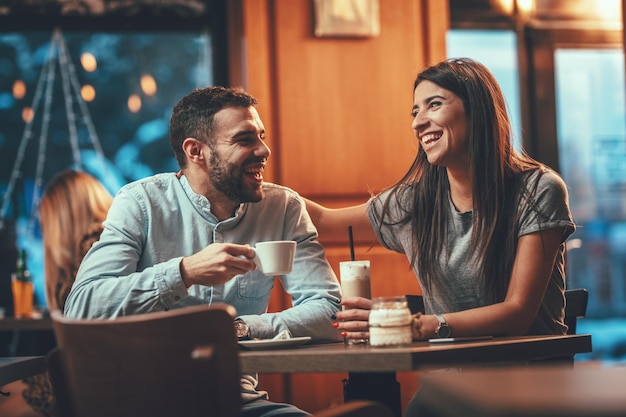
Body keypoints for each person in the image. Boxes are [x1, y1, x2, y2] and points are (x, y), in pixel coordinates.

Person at [304, 58, 575, 415]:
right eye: (415, 111)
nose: (418, 122)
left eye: (434, 104)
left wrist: (422, 325)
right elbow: (322, 221)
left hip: (528, 390)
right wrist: (252, 182)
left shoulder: (538, 189)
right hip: (448, 390)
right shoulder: (417, 201)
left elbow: (517, 312)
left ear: (477, 110)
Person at [63, 86, 342, 417]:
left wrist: (239, 328)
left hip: (239, 403)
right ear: (196, 151)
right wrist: (183, 273)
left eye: (262, 136)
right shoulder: (140, 203)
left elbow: (329, 311)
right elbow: (81, 309)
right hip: (140, 404)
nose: (264, 150)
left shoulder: (283, 208)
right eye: (245, 140)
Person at [0, 169, 113, 417]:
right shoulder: (114, 240)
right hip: (119, 370)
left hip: (100, 378)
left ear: (62, 219)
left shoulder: (93, 247)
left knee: (6, 402)